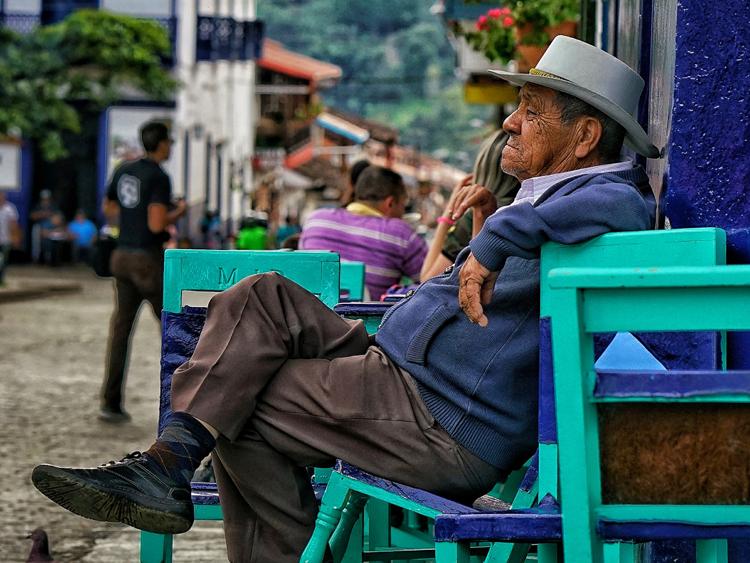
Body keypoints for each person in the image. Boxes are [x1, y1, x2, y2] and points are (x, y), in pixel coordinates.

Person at [32, 36, 659, 562]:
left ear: (585, 137)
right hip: (399, 365)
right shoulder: (557, 196)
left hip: (438, 417)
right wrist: (495, 225)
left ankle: (172, 462)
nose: (509, 123)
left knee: (234, 404)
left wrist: (494, 238)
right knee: (261, 295)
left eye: (530, 109)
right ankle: (170, 461)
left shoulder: (613, 197)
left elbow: (624, 207)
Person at [98, 120, 186, 423]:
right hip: (147, 260)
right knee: (175, 329)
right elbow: (156, 224)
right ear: (161, 143)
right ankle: (183, 404)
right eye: (170, 142)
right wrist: (179, 212)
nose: (171, 147)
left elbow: (108, 207)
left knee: (121, 330)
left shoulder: (123, 168)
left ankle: (110, 401)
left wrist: (128, 221)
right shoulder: (158, 176)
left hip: (121, 255)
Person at [300, 165, 428, 299]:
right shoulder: (401, 234)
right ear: (390, 203)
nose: (403, 212)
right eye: (403, 205)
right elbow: (431, 282)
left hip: (312, 316)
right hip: (368, 319)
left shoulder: (315, 220)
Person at [420, 130, 520, 281]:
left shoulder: (474, 217)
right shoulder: (526, 211)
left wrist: (450, 211)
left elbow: (427, 279)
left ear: (482, 168)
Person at [29, 190, 60, 264]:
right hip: (39, 227)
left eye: (47, 198)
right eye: (44, 198)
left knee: (51, 242)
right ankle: (36, 259)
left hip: (50, 228)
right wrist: (42, 214)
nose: (45, 200)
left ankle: (50, 260)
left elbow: (58, 219)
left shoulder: (53, 206)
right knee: (37, 243)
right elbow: (32, 216)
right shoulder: (38, 206)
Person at [0, 191, 20, 285]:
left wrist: (15, 237)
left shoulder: (9, 208)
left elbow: (14, 224)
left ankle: (1, 279)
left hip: (5, 239)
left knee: (3, 261)